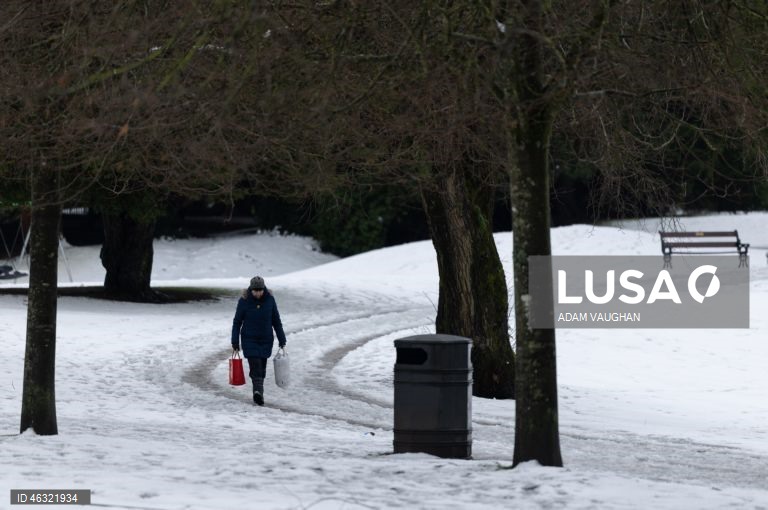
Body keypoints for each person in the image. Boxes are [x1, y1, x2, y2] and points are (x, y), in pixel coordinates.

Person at [231, 276, 287, 406]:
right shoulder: (244, 301)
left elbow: (276, 321)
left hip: (266, 339)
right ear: (251, 289)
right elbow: (237, 322)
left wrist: (282, 339)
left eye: (260, 290)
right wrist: (235, 341)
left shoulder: (270, 300)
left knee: (261, 368)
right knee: (255, 365)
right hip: (249, 339)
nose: (257, 293)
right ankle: (257, 392)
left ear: (263, 289)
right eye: (255, 290)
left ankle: (258, 390)